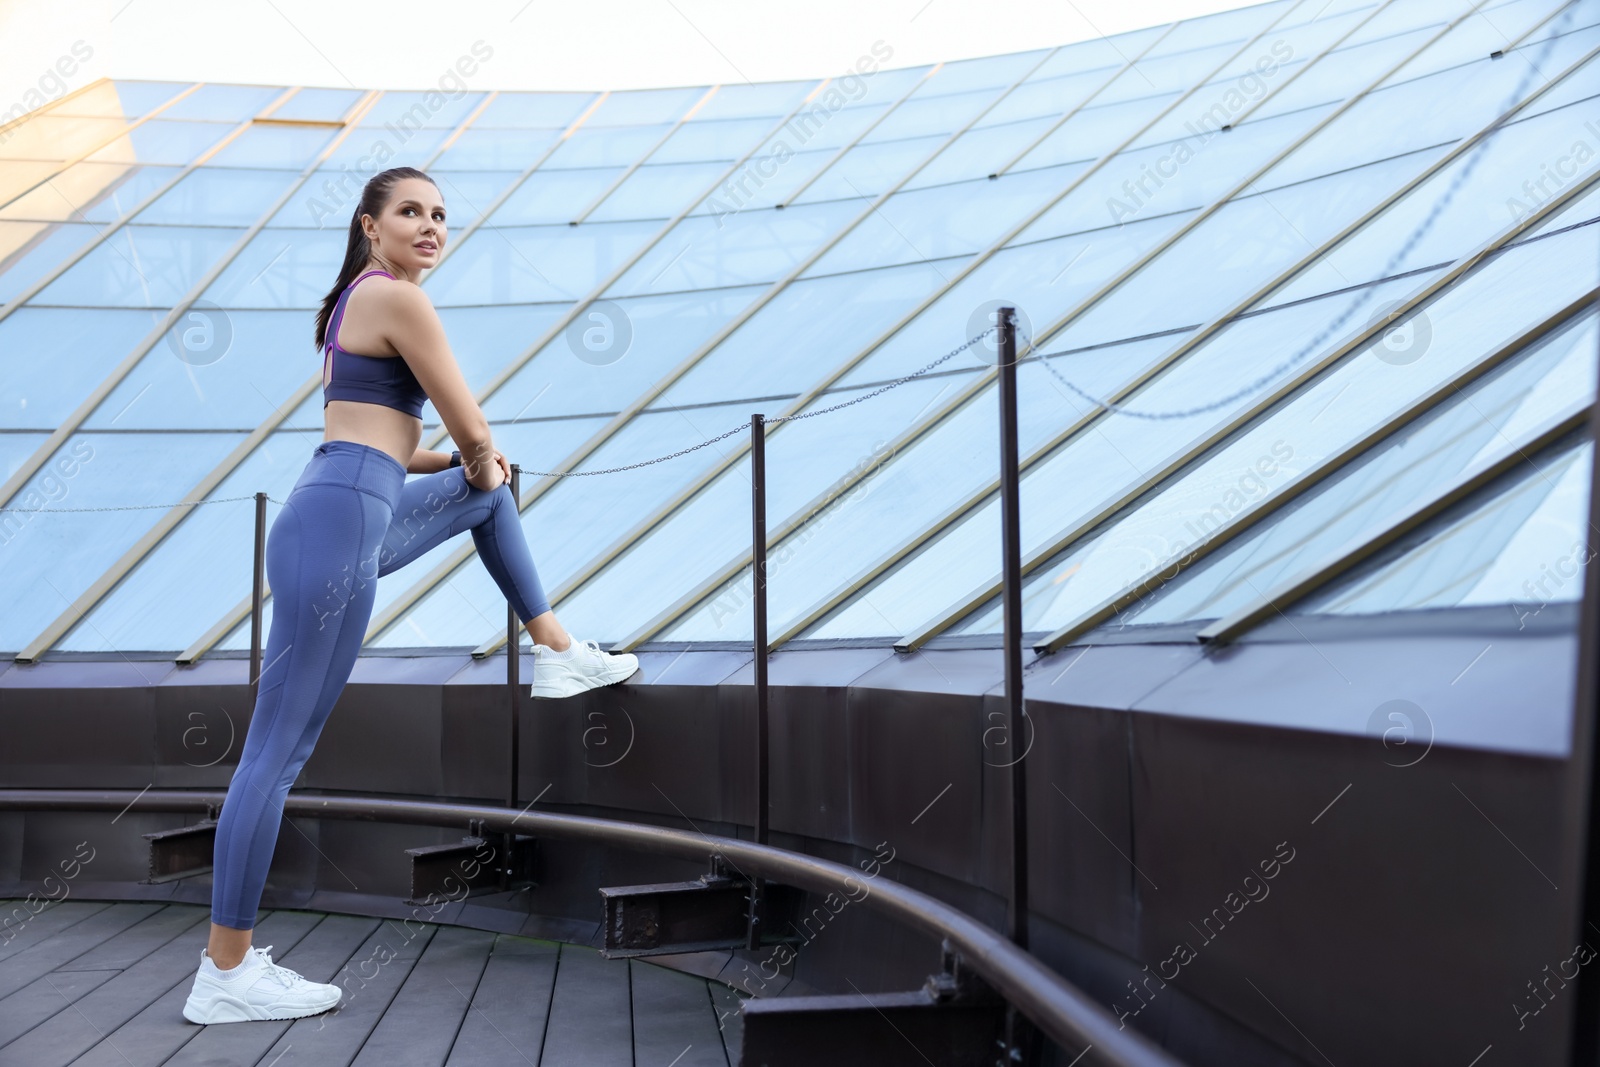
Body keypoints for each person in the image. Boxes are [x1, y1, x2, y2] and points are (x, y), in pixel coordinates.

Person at [183, 166, 638, 1025]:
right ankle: (226, 969)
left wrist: (475, 472)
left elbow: (381, 442)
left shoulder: (354, 303)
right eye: (411, 212)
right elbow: (466, 424)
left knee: (488, 493)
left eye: (440, 215)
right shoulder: (399, 299)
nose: (431, 226)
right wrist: (479, 455)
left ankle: (555, 649)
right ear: (369, 225)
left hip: (341, 510)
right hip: (341, 526)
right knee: (273, 756)